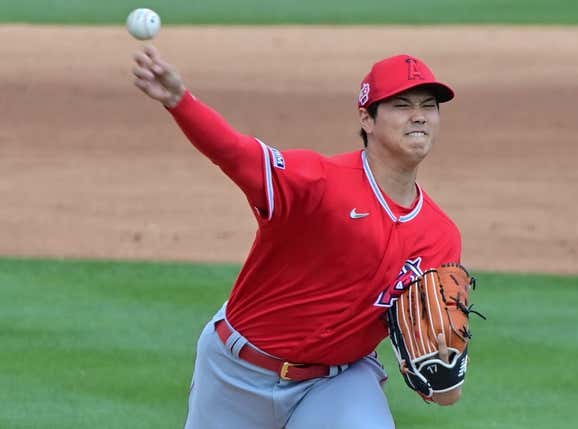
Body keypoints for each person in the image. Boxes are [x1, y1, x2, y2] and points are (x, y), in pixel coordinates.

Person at [132, 46, 464, 429]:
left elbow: (441, 383)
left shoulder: (440, 238)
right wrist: (179, 101)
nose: (419, 116)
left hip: (337, 383)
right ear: (367, 119)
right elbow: (236, 154)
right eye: (402, 105)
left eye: (429, 106)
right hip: (236, 373)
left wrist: (443, 377)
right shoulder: (317, 182)